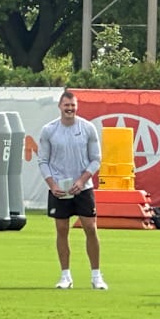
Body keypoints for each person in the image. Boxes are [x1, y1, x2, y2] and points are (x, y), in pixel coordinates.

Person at [38, 90, 107, 290]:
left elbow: (96, 159)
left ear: (77, 107)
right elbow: (43, 160)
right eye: (66, 105)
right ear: (60, 106)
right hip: (59, 188)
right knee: (61, 229)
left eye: (73, 106)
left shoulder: (87, 128)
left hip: (83, 188)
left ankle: (96, 275)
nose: (69, 109)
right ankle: (65, 275)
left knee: (90, 228)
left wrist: (82, 179)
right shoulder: (49, 130)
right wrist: (52, 185)